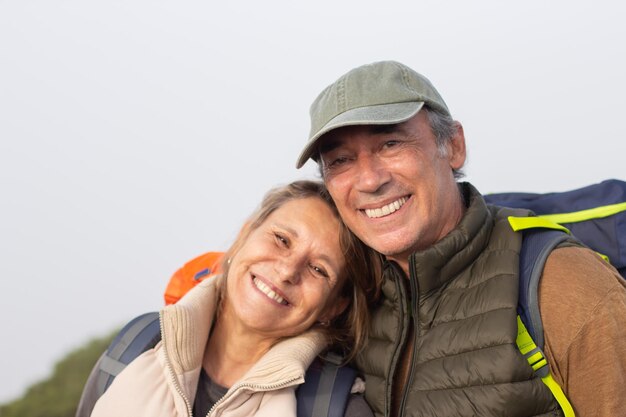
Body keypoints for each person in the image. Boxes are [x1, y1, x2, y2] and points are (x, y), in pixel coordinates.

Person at [295, 60, 626, 417]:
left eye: (391, 143)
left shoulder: (562, 281)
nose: (370, 180)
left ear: (453, 146)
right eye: (341, 160)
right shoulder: (353, 293)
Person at [82, 180, 380, 417]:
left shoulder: (339, 410)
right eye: (282, 239)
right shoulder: (132, 349)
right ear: (244, 236)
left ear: (334, 307)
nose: (288, 270)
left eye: (318, 269)